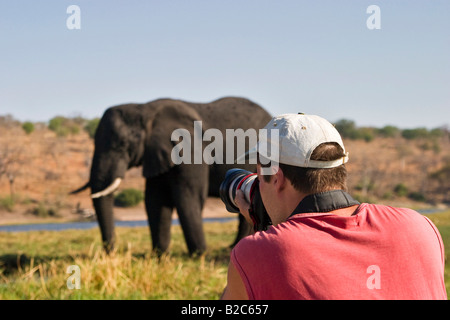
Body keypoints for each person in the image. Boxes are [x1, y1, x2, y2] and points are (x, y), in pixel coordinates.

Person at [221, 113, 447, 300]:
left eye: (260, 178)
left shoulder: (258, 253)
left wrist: (260, 234)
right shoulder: (420, 227)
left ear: (276, 178)